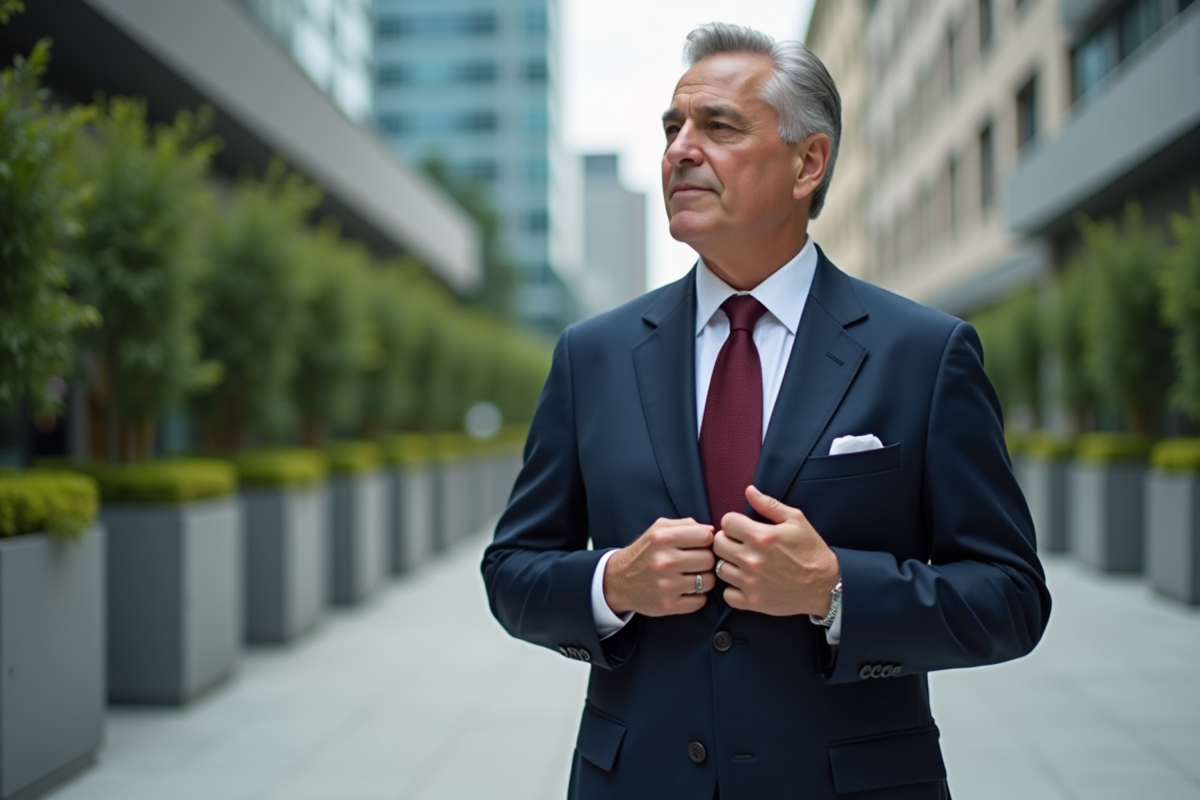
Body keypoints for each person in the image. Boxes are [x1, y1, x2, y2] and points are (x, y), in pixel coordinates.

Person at [482, 22, 1050, 800]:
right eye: (672, 128)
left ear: (807, 163)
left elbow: (1011, 598)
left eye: (718, 126)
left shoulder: (924, 352)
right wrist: (611, 582)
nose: (681, 148)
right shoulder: (594, 355)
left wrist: (836, 589)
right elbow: (512, 572)